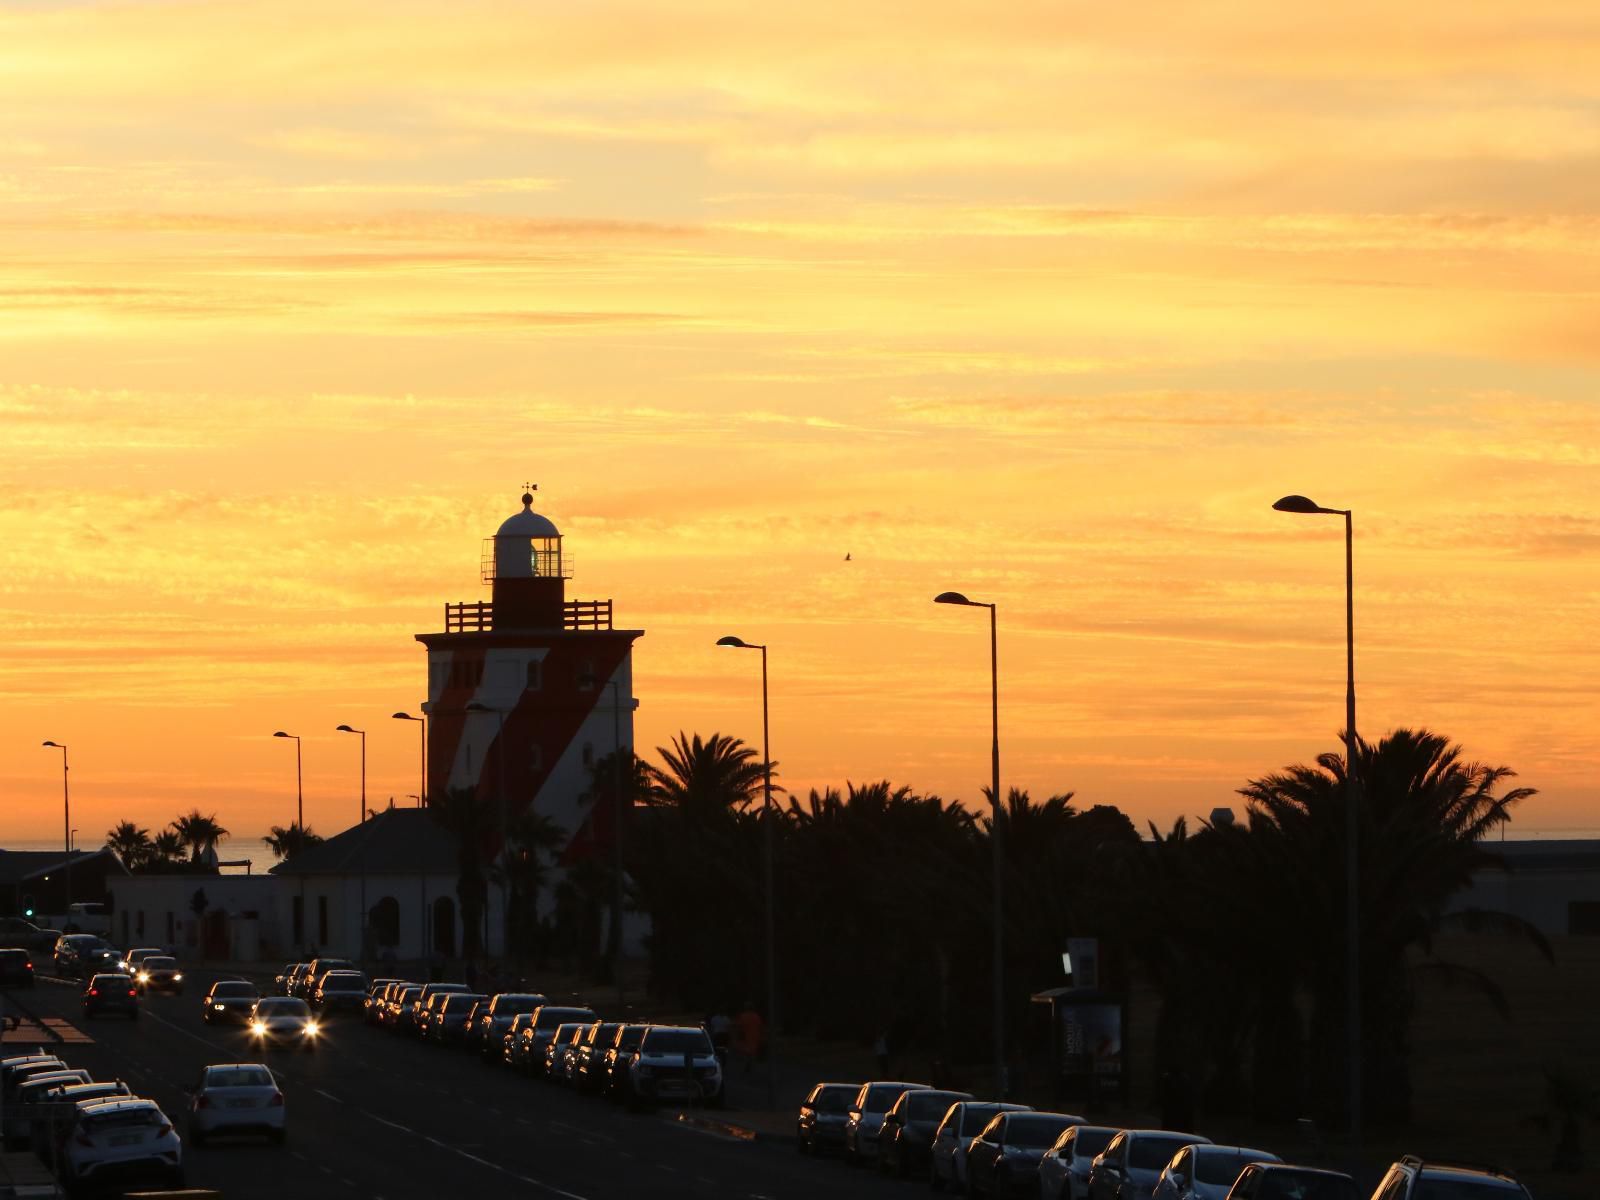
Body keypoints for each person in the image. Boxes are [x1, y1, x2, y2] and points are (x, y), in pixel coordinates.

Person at [732, 1002, 764, 1076]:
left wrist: (737, 1035)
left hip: (745, 1038)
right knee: (752, 1054)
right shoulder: (756, 1016)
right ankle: (750, 1067)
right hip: (754, 1037)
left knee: (745, 1054)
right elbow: (760, 1027)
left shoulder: (743, 1016)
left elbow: (739, 1027)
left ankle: (746, 1068)